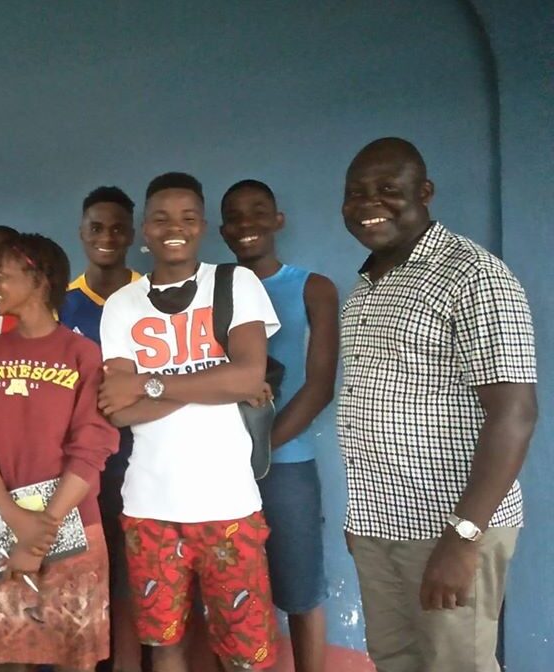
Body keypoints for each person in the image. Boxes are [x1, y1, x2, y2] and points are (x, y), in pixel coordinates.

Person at [338, 138, 537, 672]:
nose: (368, 204)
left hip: (448, 528)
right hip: (378, 525)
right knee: (395, 660)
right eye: (355, 193)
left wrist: (463, 537)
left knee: (457, 665)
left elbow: (515, 413)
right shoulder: (365, 288)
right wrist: (361, 521)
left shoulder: (473, 275)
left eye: (388, 190)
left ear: (424, 193)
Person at [98, 173, 280, 672]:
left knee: (249, 654)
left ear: (202, 227)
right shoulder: (122, 306)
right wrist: (211, 380)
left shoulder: (235, 283)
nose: (173, 228)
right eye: (160, 218)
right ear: (143, 231)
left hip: (230, 504)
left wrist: (152, 383)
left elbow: (247, 376)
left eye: (187, 218)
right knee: (165, 644)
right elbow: (119, 406)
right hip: (150, 507)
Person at [0, 233, 118, 671]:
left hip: (72, 523)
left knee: (73, 655)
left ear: (40, 279)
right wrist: (16, 521)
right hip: (4, 521)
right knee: (8, 657)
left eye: (4, 274)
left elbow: (92, 447)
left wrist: (41, 532)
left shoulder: (83, 354)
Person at [220, 180, 338, 672]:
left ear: (278, 220)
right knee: (231, 590)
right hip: (219, 468)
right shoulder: (213, 288)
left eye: (258, 213)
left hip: (285, 464)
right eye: (235, 217)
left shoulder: (312, 287)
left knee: (300, 590)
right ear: (222, 230)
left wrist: (263, 448)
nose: (247, 225)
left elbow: (319, 385)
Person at [58, 186, 144, 672]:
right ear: (81, 233)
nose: (107, 236)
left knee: (134, 577)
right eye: (96, 227)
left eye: (117, 228)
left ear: (132, 234)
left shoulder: (151, 296)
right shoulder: (62, 304)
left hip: (143, 462)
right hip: (82, 468)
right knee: (82, 574)